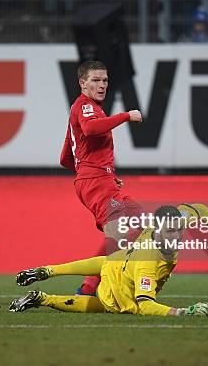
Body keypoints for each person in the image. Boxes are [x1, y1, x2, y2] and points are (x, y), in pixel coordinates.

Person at [9, 204, 208, 316]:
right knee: (109, 306)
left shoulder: (171, 221)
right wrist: (184, 312)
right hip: (119, 293)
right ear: (157, 229)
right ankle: (45, 296)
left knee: (108, 262)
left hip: (117, 264)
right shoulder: (150, 262)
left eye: (178, 230)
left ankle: (44, 284)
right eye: (170, 232)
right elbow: (145, 305)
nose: (176, 236)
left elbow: (200, 209)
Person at [59, 60, 143, 295]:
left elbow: (66, 158)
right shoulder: (85, 106)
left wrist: (99, 171)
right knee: (119, 234)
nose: (102, 85)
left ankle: (95, 285)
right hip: (96, 182)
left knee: (140, 223)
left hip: (98, 180)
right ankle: (91, 287)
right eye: (95, 80)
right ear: (82, 83)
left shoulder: (87, 109)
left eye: (105, 80)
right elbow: (91, 129)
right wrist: (126, 115)